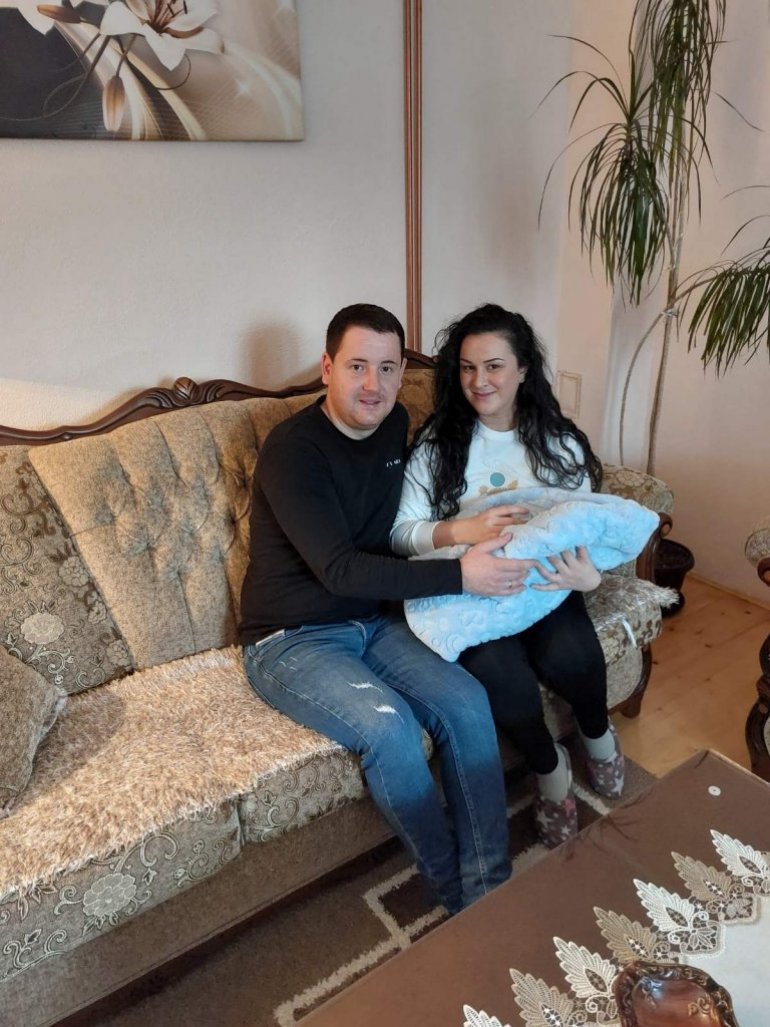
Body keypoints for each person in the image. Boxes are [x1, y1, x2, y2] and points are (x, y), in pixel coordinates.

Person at [239, 303, 538, 914]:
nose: (372, 385)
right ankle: (455, 897)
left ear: (403, 373)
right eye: (357, 366)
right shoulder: (293, 451)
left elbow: (407, 522)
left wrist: (470, 532)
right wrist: (462, 575)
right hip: (291, 638)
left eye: (386, 368)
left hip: (374, 620)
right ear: (327, 369)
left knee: (467, 702)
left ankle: (490, 889)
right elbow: (341, 570)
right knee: (392, 731)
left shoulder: (395, 422)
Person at [391, 303, 625, 849]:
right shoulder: (438, 446)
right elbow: (401, 534)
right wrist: (462, 531)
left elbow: (586, 522)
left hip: (546, 584)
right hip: (474, 591)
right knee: (506, 683)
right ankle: (551, 771)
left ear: (522, 369)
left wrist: (590, 577)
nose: (480, 381)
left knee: (572, 655)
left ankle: (598, 737)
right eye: (468, 368)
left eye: (494, 366)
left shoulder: (557, 441)